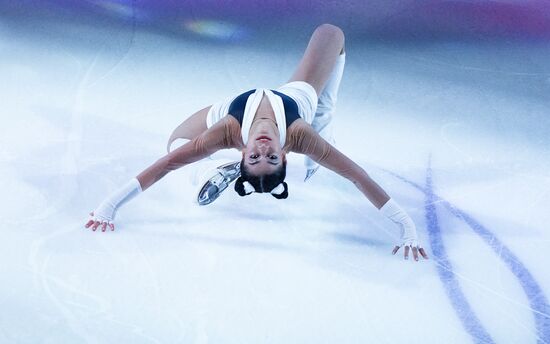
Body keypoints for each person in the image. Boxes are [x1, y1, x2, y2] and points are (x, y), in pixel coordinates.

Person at [84, 24, 429, 261]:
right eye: (270, 157)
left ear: (242, 152)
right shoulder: (300, 136)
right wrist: (406, 225)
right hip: (300, 101)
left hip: (229, 112)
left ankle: (212, 171)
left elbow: (165, 167)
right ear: (284, 154)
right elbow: (357, 175)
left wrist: (108, 207)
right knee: (330, 36)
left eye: (255, 156)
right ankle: (301, 158)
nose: (263, 148)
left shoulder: (229, 132)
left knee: (177, 148)